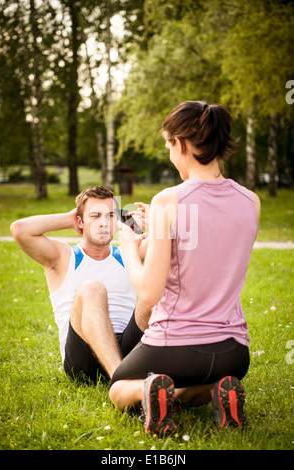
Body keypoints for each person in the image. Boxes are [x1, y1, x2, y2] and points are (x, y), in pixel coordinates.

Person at [108, 101, 261, 434]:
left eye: (167, 145)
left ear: (181, 143)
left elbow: (150, 292)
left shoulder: (169, 201)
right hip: (234, 354)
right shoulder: (251, 201)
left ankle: (154, 391)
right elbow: (206, 243)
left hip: (177, 347)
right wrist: (160, 228)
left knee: (119, 388)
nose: (169, 153)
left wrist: (130, 246)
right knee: (208, 379)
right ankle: (217, 390)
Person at [10, 185, 150, 383]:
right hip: (83, 359)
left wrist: (142, 224)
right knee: (91, 288)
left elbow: (175, 246)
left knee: (155, 291)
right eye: (95, 215)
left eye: (110, 215)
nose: (103, 223)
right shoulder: (63, 257)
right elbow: (19, 230)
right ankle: (121, 381)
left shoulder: (130, 253)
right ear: (80, 220)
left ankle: (145, 370)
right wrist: (70, 219)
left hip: (127, 348)